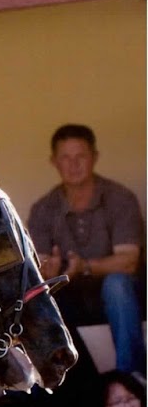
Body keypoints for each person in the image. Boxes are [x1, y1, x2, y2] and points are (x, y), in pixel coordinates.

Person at [27, 124, 144, 382]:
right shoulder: (43, 209)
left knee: (117, 284)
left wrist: (85, 267)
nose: (73, 165)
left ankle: (131, 378)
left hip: (122, 297)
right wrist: (49, 270)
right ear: (54, 162)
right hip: (73, 296)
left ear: (94, 157)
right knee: (40, 298)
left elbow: (128, 262)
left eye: (80, 156)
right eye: (65, 158)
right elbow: (40, 266)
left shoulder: (119, 198)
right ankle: (70, 385)